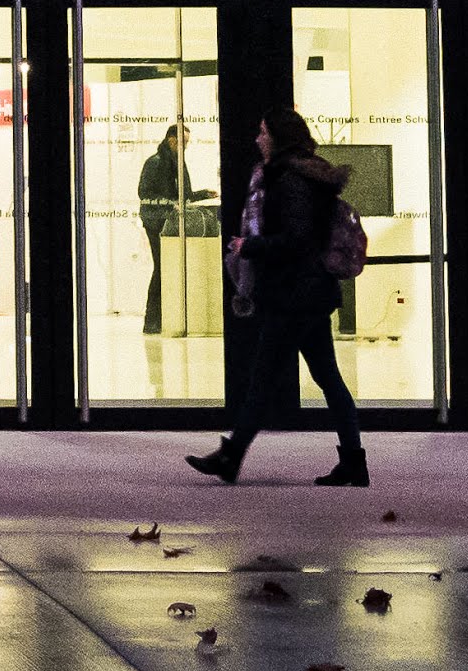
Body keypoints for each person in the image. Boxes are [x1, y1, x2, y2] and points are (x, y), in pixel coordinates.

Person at [189, 109, 366, 487]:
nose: (257, 138)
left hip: (293, 296)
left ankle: (231, 456)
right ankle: (353, 460)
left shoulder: (291, 181)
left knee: (264, 379)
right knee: (326, 377)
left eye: (263, 132)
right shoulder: (303, 175)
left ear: (279, 138)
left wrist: (249, 245)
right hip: (308, 294)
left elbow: (297, 240)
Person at [139, 120, 193, 336]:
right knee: (161, 268)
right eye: (183, 142)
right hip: (155, 222)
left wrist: (202, 195)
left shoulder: (178, 162)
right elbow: (144, 192)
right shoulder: (155, 163)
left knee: (165, 269)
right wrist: (169, 203)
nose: (185, 146)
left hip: (169, 221)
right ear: (172, 140)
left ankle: (161, 319)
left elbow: (183, 194)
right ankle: (151, 320)